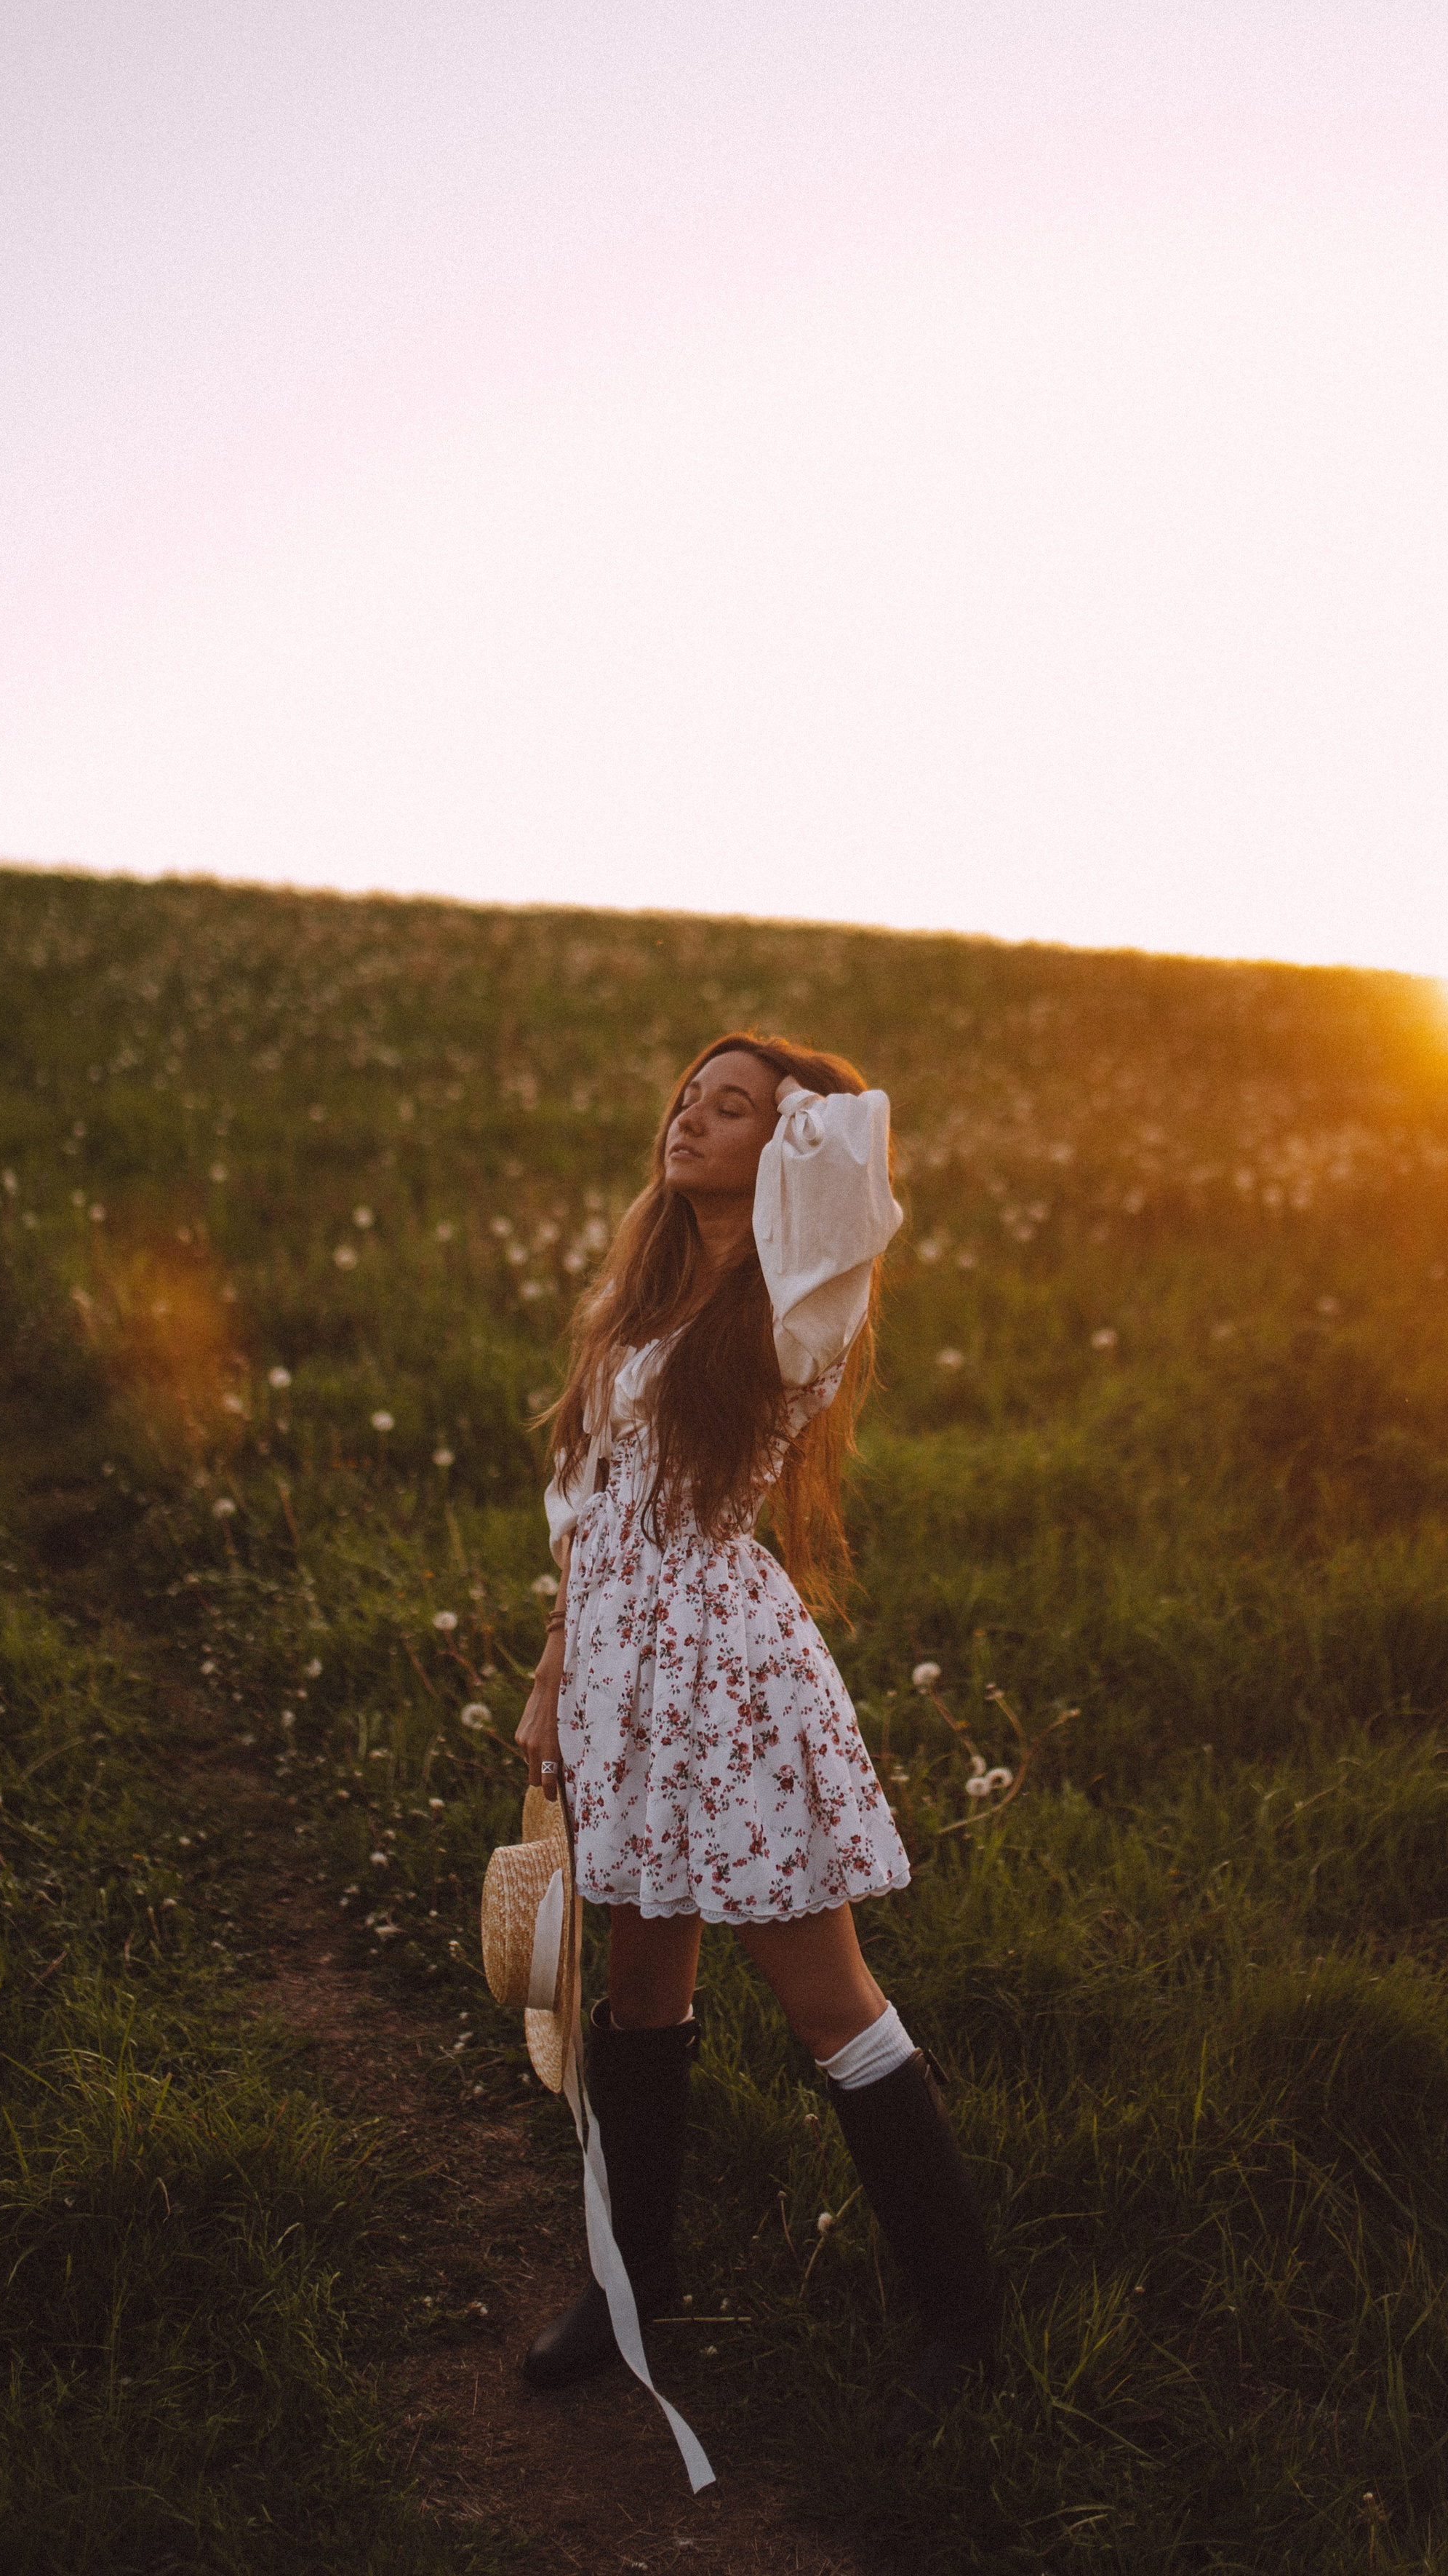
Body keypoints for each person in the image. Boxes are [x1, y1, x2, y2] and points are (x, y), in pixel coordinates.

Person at [513, 1032, 998, 2416]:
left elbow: (849, 1158)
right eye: (685, 1097)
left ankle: (965, 2319)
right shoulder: (640, 1298)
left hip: (725, 1681)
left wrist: (799, 1108)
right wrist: (555, 1673)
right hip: (617, 1671)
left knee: (825, 1997)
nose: (691, 1120)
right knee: (638, 1986)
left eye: (732, 1111)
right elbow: (589, 1514)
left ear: (780, 1148)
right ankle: (632, 2286)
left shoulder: (801, 1296)